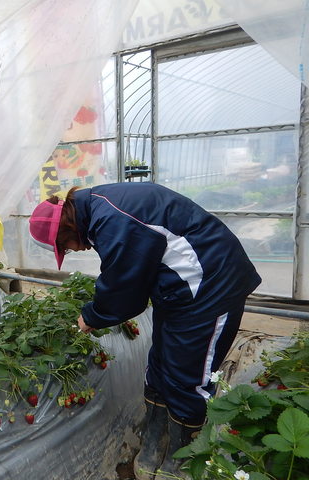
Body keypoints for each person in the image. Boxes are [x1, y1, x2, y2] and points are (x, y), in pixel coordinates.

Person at [28, 182, 261, 480]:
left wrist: (91, 316)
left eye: (66, 247)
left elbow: (125, 290)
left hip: (211, 285)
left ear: (67, 229)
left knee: (190, 377)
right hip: (178, 287)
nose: (75, 250)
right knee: (161, 365)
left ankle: (184, 458)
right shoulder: (99, 208)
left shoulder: (113, 220)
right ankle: (155, 442)